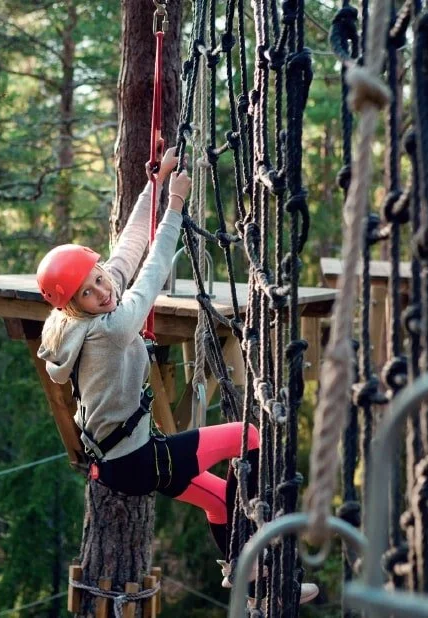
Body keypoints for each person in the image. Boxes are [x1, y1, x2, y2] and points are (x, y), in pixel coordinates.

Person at [36, 146, 317, 604]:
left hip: (121, 464)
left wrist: (155, 183)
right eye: (88, 292)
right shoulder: (109, 328)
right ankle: (279, 563)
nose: (102, 291)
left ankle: (242, 576)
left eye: (99, 280)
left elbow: (129, 247)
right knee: (253, 435)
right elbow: (151, 271)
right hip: (137, 459)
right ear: (74, 306)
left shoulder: (89, 312)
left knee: (219, 499)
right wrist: (176, 206)